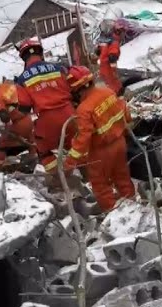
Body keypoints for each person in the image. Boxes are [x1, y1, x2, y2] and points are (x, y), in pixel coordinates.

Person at [62, 65, 135, 212]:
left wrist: (69, 163)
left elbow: (84, 138)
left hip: (101, 152)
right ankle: (134, 208)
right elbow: (125, 113)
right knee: (122, 178)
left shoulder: (84, 109)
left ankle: (112, 215)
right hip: (120, 143)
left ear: (77, 89)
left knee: (101, 185)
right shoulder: (107, 92)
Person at [13, 38, 76, 176]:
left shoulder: (22, 79)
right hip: (70, 114)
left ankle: (59, 180)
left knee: (44, 150)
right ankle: (86, 176)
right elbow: (73, 89)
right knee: (76, 147)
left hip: (48, 121)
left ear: (24, 57)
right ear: (40, 53)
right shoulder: (59, 68)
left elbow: (25, 108)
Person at [0, 72, 37, 172]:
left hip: (19, 124)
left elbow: (5, 117)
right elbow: (11, 104)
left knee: (2, 144)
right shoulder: (8, 86)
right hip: (28, 119)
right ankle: (34, 160)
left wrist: (0, 114)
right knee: (31, 141)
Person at [93, 19, 127, 96]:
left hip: (102, 69)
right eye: (124, 32)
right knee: (115, 89)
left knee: (107, 87)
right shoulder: (115, 43)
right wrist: (114, 71)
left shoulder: (106, 40)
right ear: (120, 31)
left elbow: (97, 51)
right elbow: (112, 57)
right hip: (108, 71)